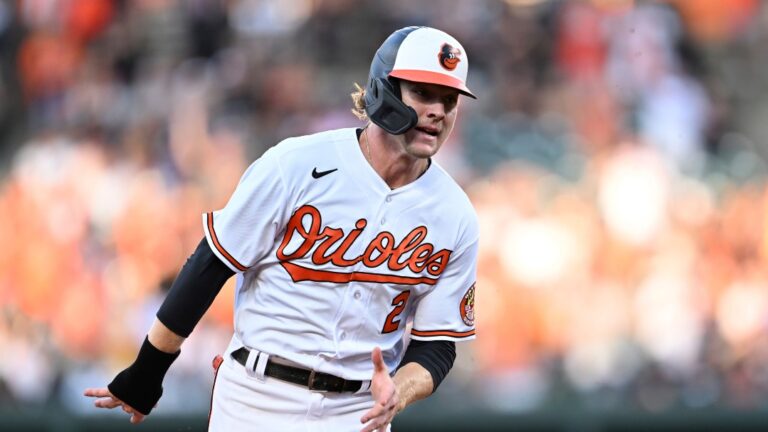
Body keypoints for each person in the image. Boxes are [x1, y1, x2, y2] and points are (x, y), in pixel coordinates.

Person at [84, 25, 479, 432]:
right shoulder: (296, 164)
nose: (438, 111)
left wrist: (399, 390)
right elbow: (210, 265)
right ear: (384, 91)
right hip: (257, 396)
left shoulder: (455, 214)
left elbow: (437, 345)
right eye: (423, 93)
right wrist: (148, 371)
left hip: (358, 412)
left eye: (449, 101)